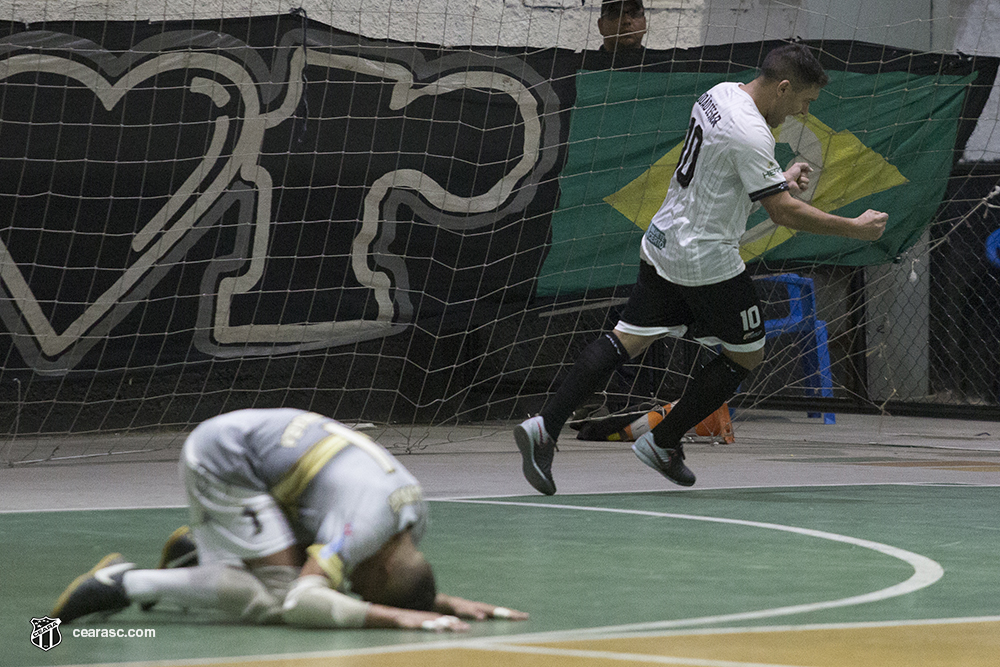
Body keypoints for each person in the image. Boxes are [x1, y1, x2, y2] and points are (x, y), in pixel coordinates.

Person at [516, 43, 888, 495]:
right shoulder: (752, 132)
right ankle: (664, 440)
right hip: (704, 259)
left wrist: (778, 180)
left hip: (664, 240)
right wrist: (855, 228)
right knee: (746, 354)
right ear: (784, 87)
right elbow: (783, 214)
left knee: (627, 338)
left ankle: (545, 427)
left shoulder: (720, 94)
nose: (802, 113)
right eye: (803, 102)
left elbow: (723, 179)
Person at [53, 408, 528, 631]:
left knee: (307, 573)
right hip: (226, 457)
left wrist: (432, 600)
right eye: (361, 589)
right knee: (280, 596)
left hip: (277, 464)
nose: (352, 591)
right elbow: (305, 602)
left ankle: (203, 550)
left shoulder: (409, 520)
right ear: (384, 569)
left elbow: (360, 567)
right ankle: (123, 583)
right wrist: (396, 616)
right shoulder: (360, 531)